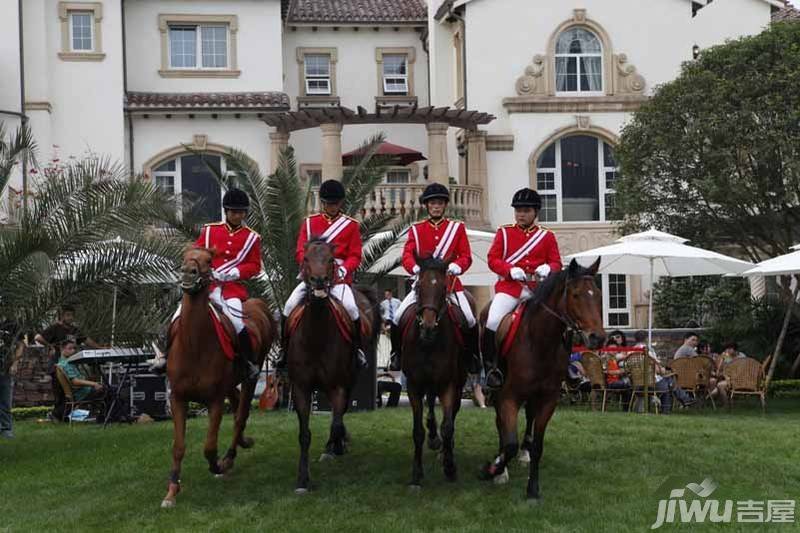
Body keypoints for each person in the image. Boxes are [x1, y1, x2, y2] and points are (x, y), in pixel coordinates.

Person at [150, 188, 262, 380]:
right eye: (234, 212)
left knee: (236, 322)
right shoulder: (210, 230)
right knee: (177, 316)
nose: (238, 215)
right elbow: (197, 250)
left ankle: (247, 361)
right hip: (206, 286)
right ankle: (165, 357)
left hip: (230, 290)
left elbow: (255, 266)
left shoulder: (252, 237)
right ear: (226, 211)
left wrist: (235, 272)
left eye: (241, 212)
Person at [389, 183, 478, 372]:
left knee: (470, 319)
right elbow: (407, 254)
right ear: (427, 206)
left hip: (450, 284)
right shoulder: (416, 229)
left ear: (445, 205)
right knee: (397, 317)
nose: (436, 206)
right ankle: (396, 354)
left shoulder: (457, 228)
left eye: (439, 203)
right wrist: (412, 267)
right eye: (432, 203)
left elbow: (466, 256)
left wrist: (457, 265)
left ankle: (472, 358)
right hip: (424, 285)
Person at [279, 179, 366, 369]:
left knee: (351, 308)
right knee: (289, 305)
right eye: (328, 203)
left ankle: (357, 350)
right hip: (312, 277)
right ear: (322, 202)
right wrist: (309, 265)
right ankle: (283, 350)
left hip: (338, 278)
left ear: (341, 203)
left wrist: (344, 268)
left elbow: (355, 254)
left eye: (335, 203)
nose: (331, 207)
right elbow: (300, 251)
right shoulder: (310, 223)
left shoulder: (350, 225)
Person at [482, 188, 562, 389]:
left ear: (535, 212)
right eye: (518, 210)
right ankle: (492, 368)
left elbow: (556, 263)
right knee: (492, 321)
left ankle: (564, 365)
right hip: (510, 288)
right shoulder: (504, 232)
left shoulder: (546, 236)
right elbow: (492, 259)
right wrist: (510, 270)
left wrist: (548, 268)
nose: (521, 214)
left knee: (561, 320)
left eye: (526, 210)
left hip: (537, 291)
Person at [625, 330, 694, 413]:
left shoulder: (630, 352)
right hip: (651, 383)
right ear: (646, 339)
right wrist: (663, 370)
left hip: (636, 384)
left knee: (669, 382)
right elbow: (657, 370)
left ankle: (684, 398)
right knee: (668, 385)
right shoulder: (649, 351)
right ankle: (669, 409)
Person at [56, 337, 108, 408]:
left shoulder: (65, 362)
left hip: (83, 391)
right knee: (110, 391)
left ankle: (106, 414)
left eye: (74, 348)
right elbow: (75, 381)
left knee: (108, 389)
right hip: (82, 394)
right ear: (62, 349)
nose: (73, 351)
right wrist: (94, 384)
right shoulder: (65, 364)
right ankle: (110, 415)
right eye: (70, 348)